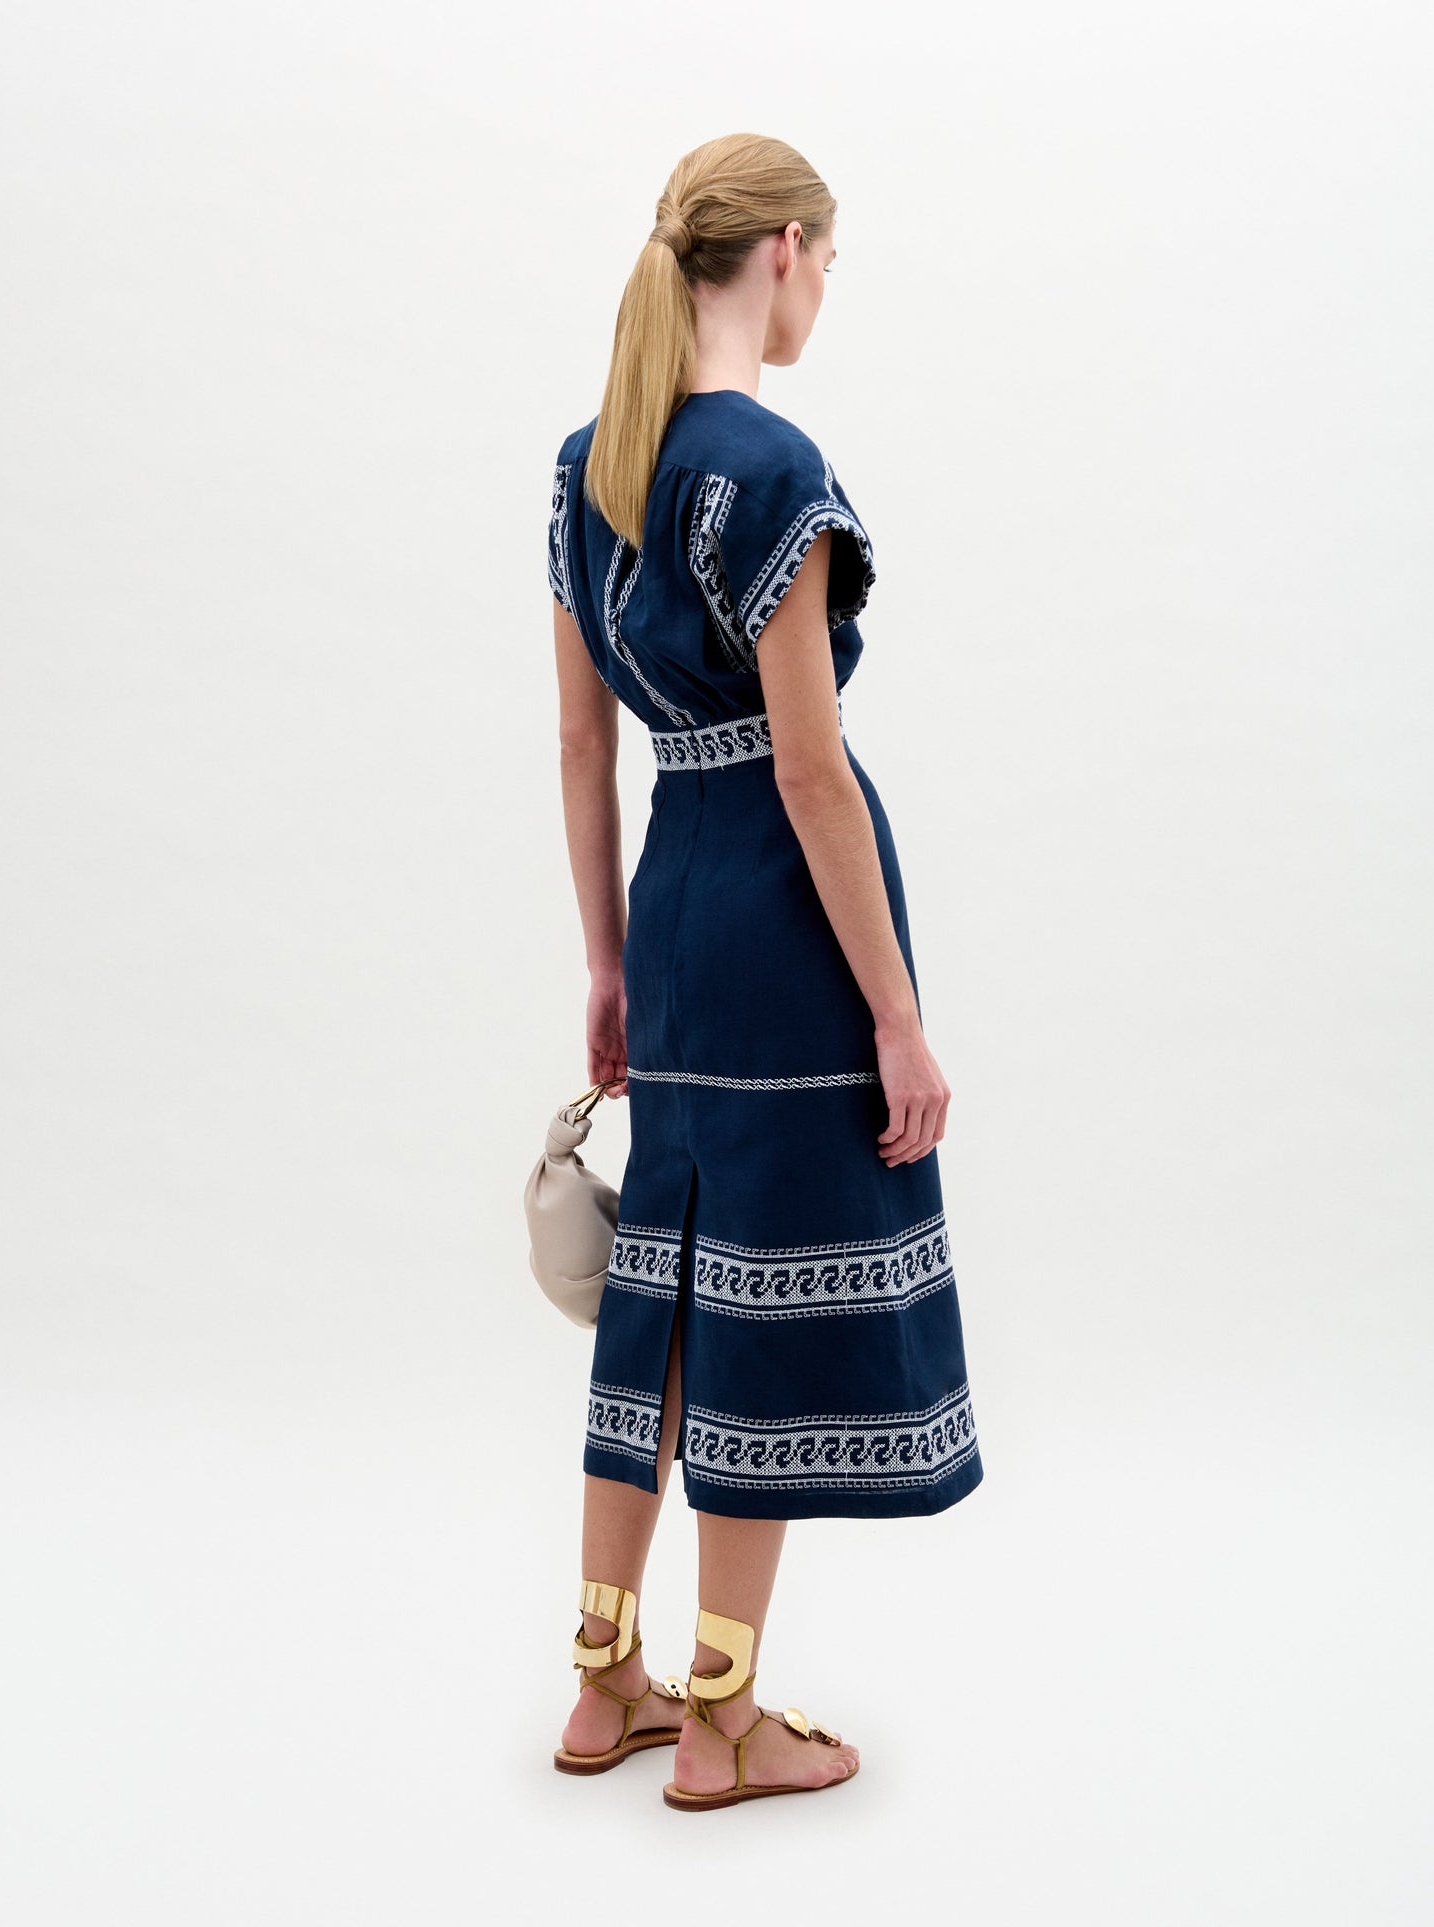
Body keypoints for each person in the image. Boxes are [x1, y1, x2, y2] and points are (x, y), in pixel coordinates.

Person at [546, 132, 985, 1811]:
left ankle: (606, 1685)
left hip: (671, 909)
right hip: (786, 930)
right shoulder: (771, 471)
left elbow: (582, 743)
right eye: (827, 265)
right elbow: (809, 775)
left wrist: (605, 958)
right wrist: (894, 1014)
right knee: (766, 1308)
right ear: (786, 251)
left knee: (659, 1289)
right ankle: (723, 1722)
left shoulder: (593, 463)